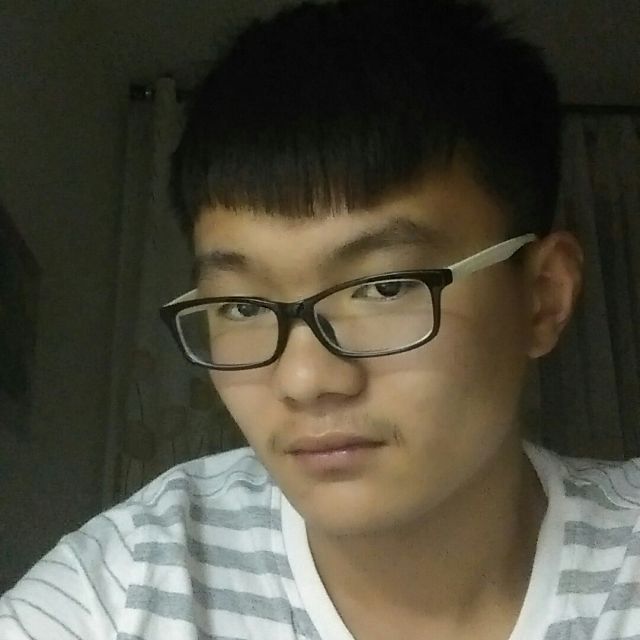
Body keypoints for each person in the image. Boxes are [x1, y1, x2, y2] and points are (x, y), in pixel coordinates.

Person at [2, 0, 639, 638]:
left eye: (384, 288)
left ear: (542, 298)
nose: (304, 380)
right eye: (243, 306)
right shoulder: (124, 588)